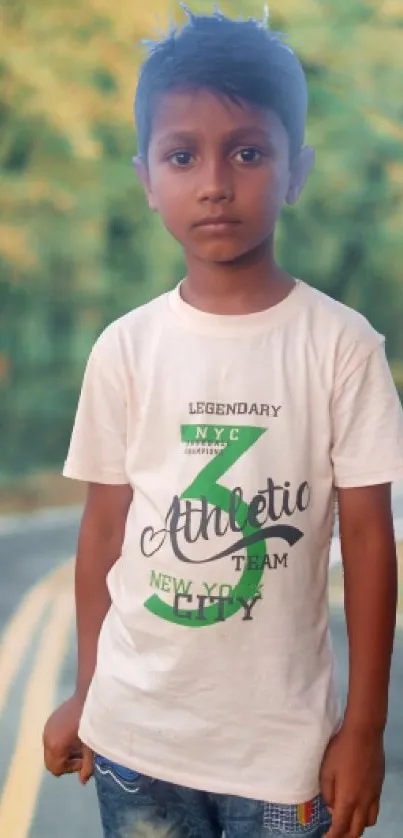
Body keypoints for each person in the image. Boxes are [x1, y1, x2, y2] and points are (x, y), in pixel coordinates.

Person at [43, 8, 403, 838]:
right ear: (146, 177)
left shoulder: (341, 346)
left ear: (295, 170)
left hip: (283, 759)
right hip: (135, 744)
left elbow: (370, 543)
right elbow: (103, 535)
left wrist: (363, 730)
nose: (214, 180)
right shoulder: (125, 348)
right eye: (182, 155)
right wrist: (87, 692)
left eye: (247, 151)